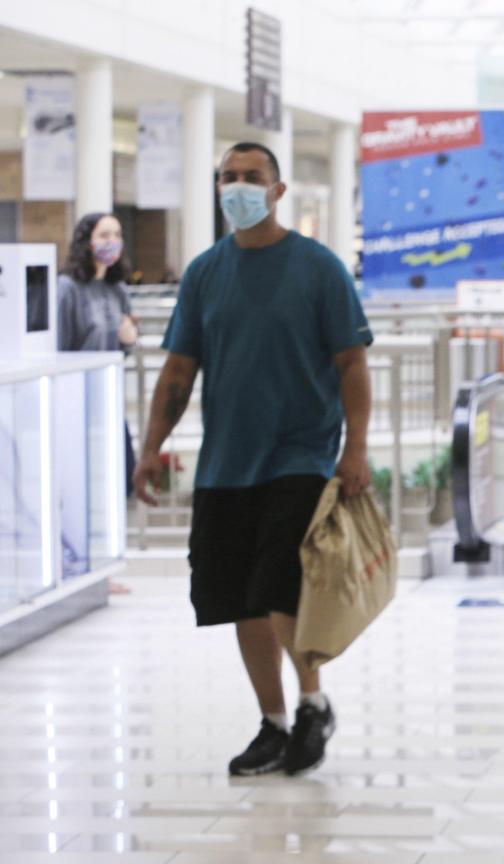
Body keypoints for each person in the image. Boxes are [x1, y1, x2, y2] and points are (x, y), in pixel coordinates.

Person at [133, 141, 374, 777]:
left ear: (278, 190)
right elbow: (179, 371)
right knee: (239, 598)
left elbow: (352, 364)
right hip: (225, 463)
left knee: (277, 590)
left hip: (300, 454)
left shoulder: (319, 268)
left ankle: (313, 702)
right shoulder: (205, 273)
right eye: (228, 178)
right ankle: (274, 721)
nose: (237, 187)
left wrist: (355, 449)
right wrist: (151, 446)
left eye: (251, 177)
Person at [58, 212, 140, 495]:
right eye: (104, 235)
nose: (113, 241)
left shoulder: (117, 289)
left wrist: (128, 341)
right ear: (86, 241)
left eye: (117, 235)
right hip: (75, 398)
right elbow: (60, 345)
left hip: (109, 395)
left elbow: (122, 348)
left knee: (120, 478)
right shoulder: (67, 289)